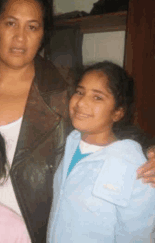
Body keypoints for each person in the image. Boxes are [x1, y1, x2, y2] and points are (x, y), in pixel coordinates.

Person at [0, 0, 154, 243]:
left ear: (43, 35)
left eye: (32, 27)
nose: (20, 37)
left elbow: (111, 126)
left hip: (37, 233)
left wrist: (150, 149)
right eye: (10, 23)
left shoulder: (65, 89)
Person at [47, 61, 155, 243]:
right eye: (80, 92)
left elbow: (138, 236)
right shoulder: (70, 142)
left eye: (97, 97)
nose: (81, 102)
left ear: (118, 112)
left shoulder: (135, 167)